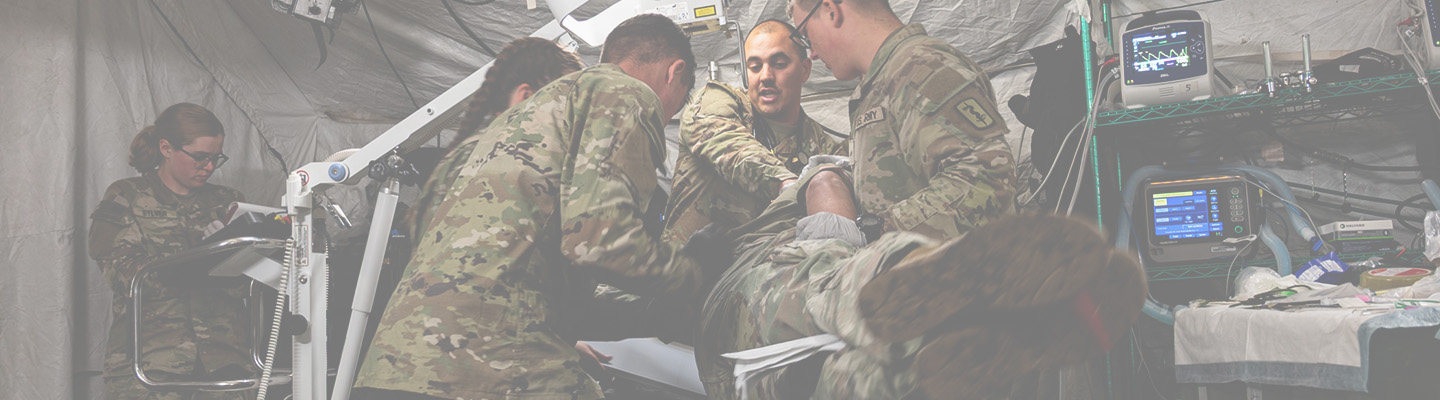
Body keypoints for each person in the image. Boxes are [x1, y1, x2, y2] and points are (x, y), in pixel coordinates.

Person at [690, 1, 1142, 398]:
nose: (812, 52)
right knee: (849, 378)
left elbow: (982, 181)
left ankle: (969, 302)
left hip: (907, 280)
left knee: (822, 295)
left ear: (832, 9)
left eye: (805, 36)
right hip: (912, 318)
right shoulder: (873, 85)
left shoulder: (921, 66)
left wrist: (870, 235)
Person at [351, 15, 709, 400]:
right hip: (487, 373)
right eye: (675, 108)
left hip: (391, 374)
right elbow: (600, 244)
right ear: (676, 72)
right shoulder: (624, 92)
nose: (666, 117)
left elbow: (530, 291)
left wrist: (655, 313)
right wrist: (698, 276)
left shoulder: (490, 138)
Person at [89, 102, 251, 400]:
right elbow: (120, 271)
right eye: (200, 158)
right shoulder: (127, 196)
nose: (210, 167)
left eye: (217, 158)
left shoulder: (228, 202)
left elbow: (253, 276)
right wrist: (198, 265)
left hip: (225, 360)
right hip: (152, 362)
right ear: (166, 148)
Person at [663, 19, 848, 246]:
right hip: (691, 271)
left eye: (779, 63)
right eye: (755, 66)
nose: (765, 76)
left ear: (804, 69)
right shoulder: (720, 100)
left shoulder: (821, 147)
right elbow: (721, 139)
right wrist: (785, 183)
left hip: (771, 270)